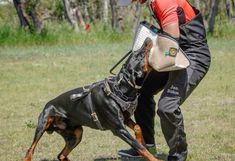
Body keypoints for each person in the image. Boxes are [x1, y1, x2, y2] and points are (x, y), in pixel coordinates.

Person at [117, 0, 211, 161]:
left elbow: (172, 38)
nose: (134, 2)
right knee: (141, 90)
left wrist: (150, 56)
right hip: (176, 51)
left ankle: (178, 156)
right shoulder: (154, 2)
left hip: (193, 56)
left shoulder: (162, 1)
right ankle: (147, 146)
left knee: (167, 106)